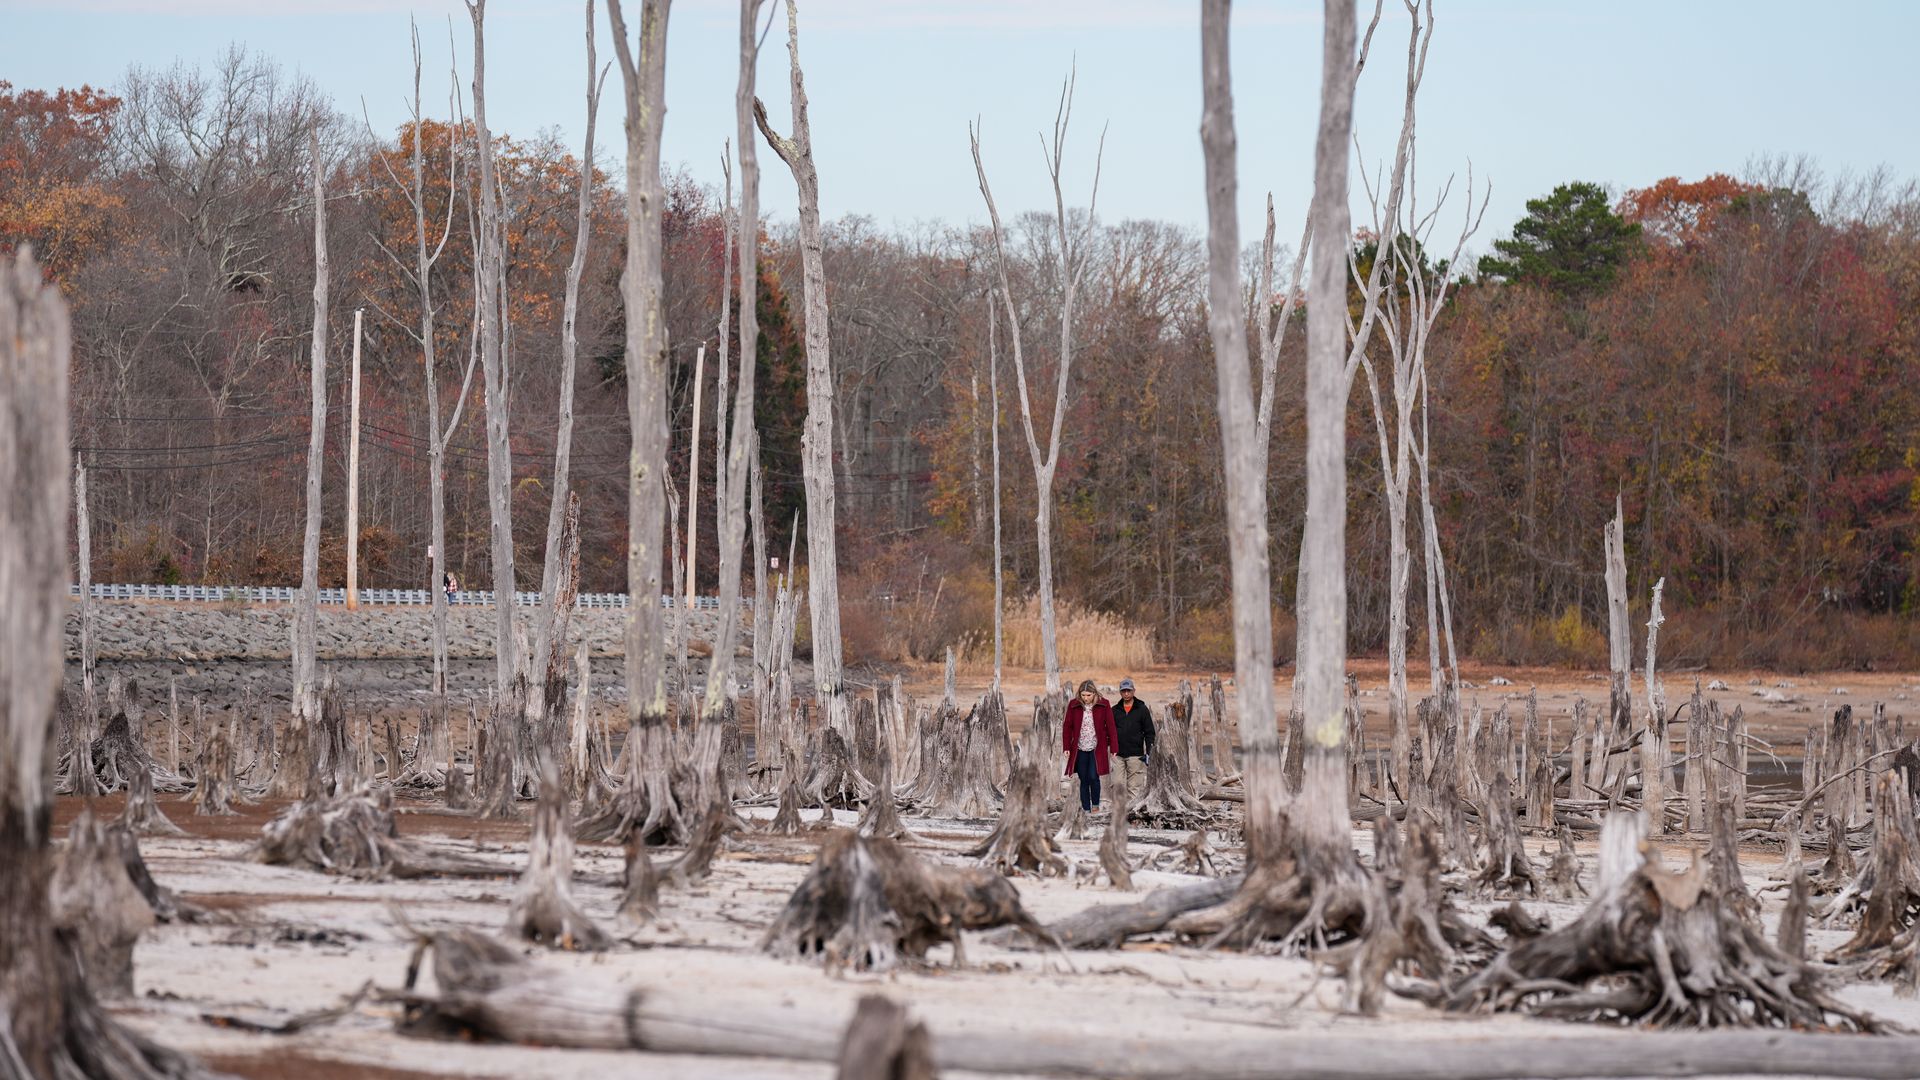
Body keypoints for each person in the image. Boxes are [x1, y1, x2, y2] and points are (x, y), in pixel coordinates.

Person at [1062, 678, 1116, 815]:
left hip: (1096, 747)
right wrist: (1066, 747)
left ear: (1094, 694)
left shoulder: (1104, 704)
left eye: (1088, 695)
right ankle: (1086, 808)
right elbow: (1067, 726)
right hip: (1079, 748)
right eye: (1083, 695)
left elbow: (1111, 726)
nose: (1085, 698)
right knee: (1083, 778)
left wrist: (1114, 747)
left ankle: (1096, 805)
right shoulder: (1073, 705)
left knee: (1093, 776)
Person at [1111, 677, 1154, 790]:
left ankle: (1133, 808)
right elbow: (1109, 732)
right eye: (1123, 691)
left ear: (1134, 691)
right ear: (1120, 692)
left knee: (1134, 787)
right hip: (1117, 755)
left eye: (1128, 690)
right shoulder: (1114, 710)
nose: (1126, 693)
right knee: (1117, 785)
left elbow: (1149, 732)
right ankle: (1119, 807)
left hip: (1136, 755)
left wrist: (1149, 752)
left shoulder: (1142, 709)